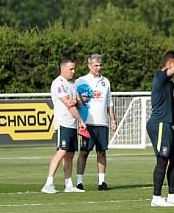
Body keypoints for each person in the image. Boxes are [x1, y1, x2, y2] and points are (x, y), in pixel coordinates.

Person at [41, 57, 86, 194]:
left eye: (74, 68)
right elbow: (69, 104)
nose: (73, 71)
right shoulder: (58, 83)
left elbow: (78, 103)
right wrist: (81, 120)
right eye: (71, 68)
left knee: (70, 155)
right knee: (61, 151)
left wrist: (75, 100)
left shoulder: (71, 85)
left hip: (72, 124)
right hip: (64, 123)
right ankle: (48, 183)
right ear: (63, 69)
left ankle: (68, 184)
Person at [75, 54, 117, 191]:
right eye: (95, 65)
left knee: (102, 152)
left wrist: (113, 119)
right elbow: (75, 100)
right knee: (84, 152)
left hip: (102, 123)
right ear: (89, 66)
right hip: (87, 123)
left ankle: (102, 182)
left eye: (100, 65)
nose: (98, 68)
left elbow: (109, 102)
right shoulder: (81, 81)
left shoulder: (106, 81)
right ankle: (79, 182)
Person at [146, 51, 174, 207]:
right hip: (160, 123)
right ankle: (156, 197)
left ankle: (172, 194)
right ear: (170, 64)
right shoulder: (160, 75)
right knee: (163, 159)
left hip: (169, 125)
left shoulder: (171, 83)